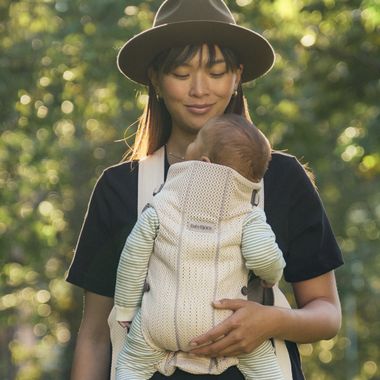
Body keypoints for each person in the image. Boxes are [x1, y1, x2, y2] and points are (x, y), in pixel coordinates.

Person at [66, 1, 344, 379]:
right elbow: (96, 334)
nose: (199, 90)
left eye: (216, 72)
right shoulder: (121, 187)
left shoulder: (282, 177)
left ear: (236, 77)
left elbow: (326, 314)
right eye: (181, 73)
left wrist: (270, 322)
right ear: (156, 80)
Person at [114, 114, 286, 380]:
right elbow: (264, 258)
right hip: (225, 329)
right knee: (265, 366)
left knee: (131, 366)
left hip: (159, 323)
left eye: (196, 141)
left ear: (203, 162)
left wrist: (126, 309)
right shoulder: (247, 214)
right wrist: (270, 277)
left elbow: (132, 259)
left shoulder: (161, 205)